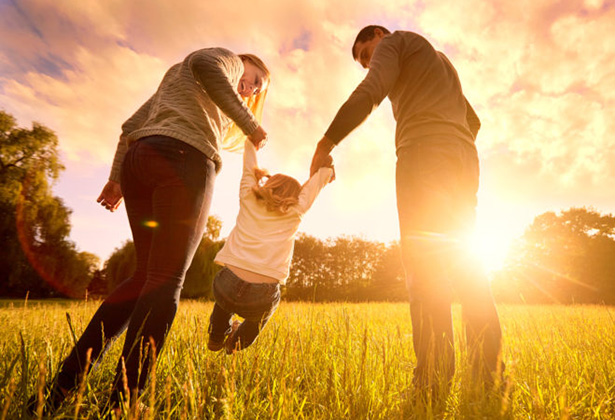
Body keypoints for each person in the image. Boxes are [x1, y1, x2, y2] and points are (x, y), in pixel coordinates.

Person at [28, 47, 270, 415]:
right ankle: (123, 403)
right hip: (184, 160)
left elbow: (129, 127)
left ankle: (61, 389)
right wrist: (250, 124)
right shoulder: (225, 59)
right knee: (167, 280)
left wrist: (115, 179)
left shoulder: (178, 82)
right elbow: (207, 64)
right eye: (254, 80)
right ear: (244, 62)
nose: (250, 90)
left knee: (145, 277)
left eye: (256, 91)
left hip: (141, 162)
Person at [310, 25, 503, 396]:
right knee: (468, 266)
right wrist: (450, 142)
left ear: (380, 36)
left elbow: (371, 91)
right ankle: (488, 378)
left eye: (368, 54)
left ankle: (432, 381)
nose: (369, 64)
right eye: (364, 61)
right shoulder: (439, 61)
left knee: (425, 266)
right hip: (463, 158)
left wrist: (326, 141)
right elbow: (473, 120)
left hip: (424, 155)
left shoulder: (395, 43)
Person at [207, 137, 334, 354]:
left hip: (227, 283)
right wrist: (327, 171)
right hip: (262, 294)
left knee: (224, 302)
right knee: (259, 319)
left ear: (269, 184)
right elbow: (315, 185)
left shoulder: (248, 196)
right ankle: (235, 344)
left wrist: (251, 141)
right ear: (296, 196)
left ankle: (217, 337)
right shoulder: (297, 210)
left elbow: (248, 166)